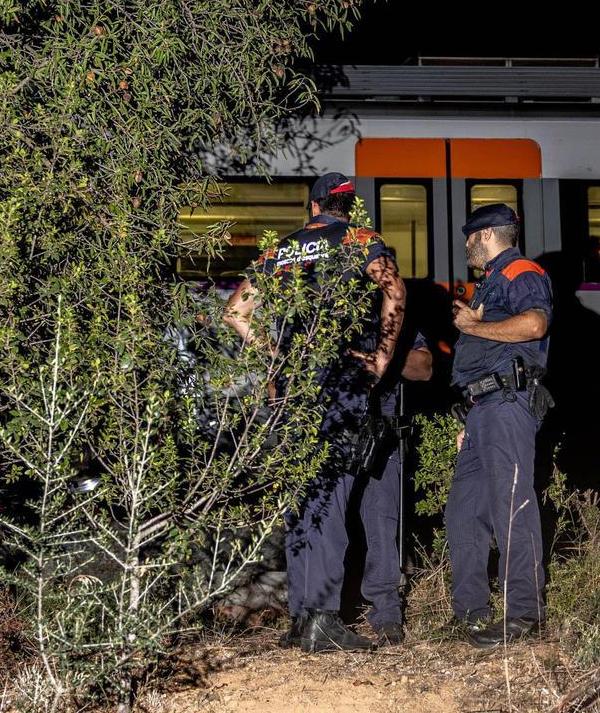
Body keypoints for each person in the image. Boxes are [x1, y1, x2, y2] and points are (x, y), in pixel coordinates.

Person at [223, 172, 405, 653]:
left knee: (303, 495)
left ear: (314, 207)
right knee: (328, 493)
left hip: (293, 386)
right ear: (348, 207)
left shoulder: (280, 250)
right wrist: (384, 355)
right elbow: (395, 292)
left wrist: (275, 355)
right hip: (339, 381)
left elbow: (235, 312)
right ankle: (322, 618)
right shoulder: (361, 240)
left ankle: (303, 618)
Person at [448, 203, 553, 648]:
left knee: (513, 508)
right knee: (464, 512)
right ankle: (472, 614)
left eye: (470, 237)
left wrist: (475, 325)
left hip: (506, 402)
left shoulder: (520, 271)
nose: (466, 246)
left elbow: (534, 324)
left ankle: (524, 617)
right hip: (481, 410)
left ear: (487, 235)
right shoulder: (492, 280)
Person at [359, 331, 432, 647]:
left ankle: (386, 613)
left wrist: (379, 359)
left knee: (381, 521)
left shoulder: (393, 312)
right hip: (327, 431)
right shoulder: (322, 303)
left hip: (380, 435)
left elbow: (425, 366)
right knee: (324, 527)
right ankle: (317, 613)